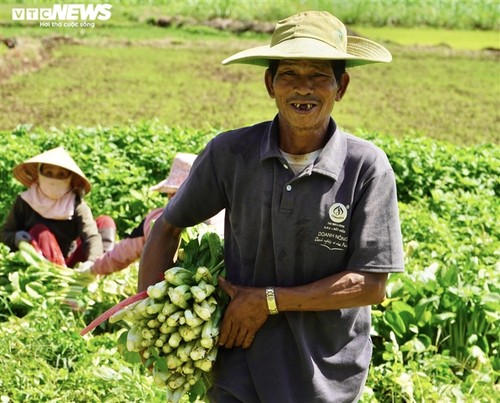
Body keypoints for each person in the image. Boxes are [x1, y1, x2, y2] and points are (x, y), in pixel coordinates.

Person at [138, 11, 404, 402]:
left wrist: (267, 301)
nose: (303, 89)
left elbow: (371, 284)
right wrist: (151, 321)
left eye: (318, 76)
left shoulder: (365, 167)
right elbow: (167, 226)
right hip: (238, 362)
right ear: (270, 83)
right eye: (289, 75)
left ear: (341, 86)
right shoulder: (231, 153)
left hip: (325, 373)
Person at [87, 153, 224, 276]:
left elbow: (123, 252)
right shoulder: (224, 218)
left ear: (171, 194)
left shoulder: (157, 219)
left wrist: (93, 269)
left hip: (163, 289)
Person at [0, 146, 115, 271]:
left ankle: (103, 268)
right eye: (49, 173)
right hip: (39, 264)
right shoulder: (25, 201)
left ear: (69, 179)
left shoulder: (75, 205)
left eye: (61, 175)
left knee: (105, 222)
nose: (54, 179)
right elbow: (5, 233)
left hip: (69, 260)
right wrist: (16, 238)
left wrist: (92, 261)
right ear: (40, 175)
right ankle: (55, 273)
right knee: (40, 231)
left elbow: (91, 237)